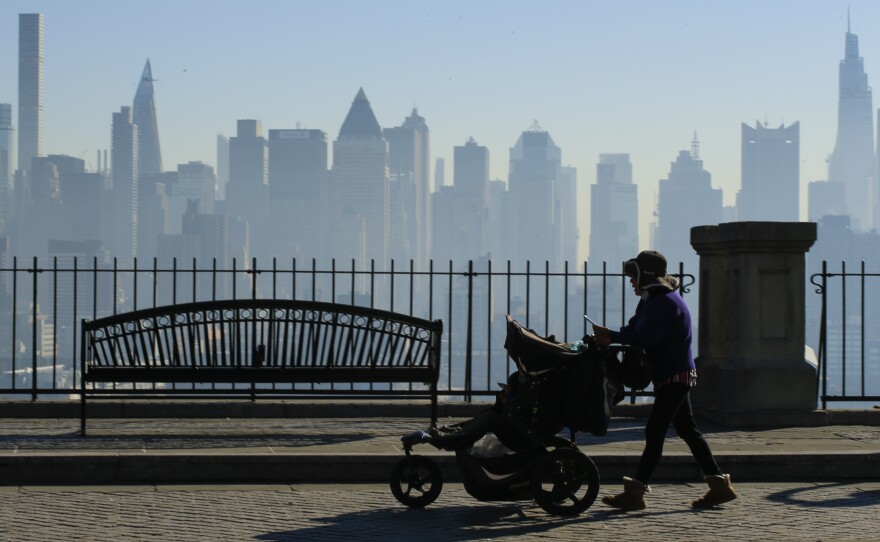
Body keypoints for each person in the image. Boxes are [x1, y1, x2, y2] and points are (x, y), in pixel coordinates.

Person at [592, 250, 737, 510]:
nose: (631, 282)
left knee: (655, 431)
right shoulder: (655, 300)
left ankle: (635, 492)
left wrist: (611, 337)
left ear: (644, 275)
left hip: (674, 375)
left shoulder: (662, 303)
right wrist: (611, 335)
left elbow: (647, 338)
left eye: (633, 276)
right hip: (675, 374)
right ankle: (719, 486)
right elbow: (635, 329)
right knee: (687, 430)